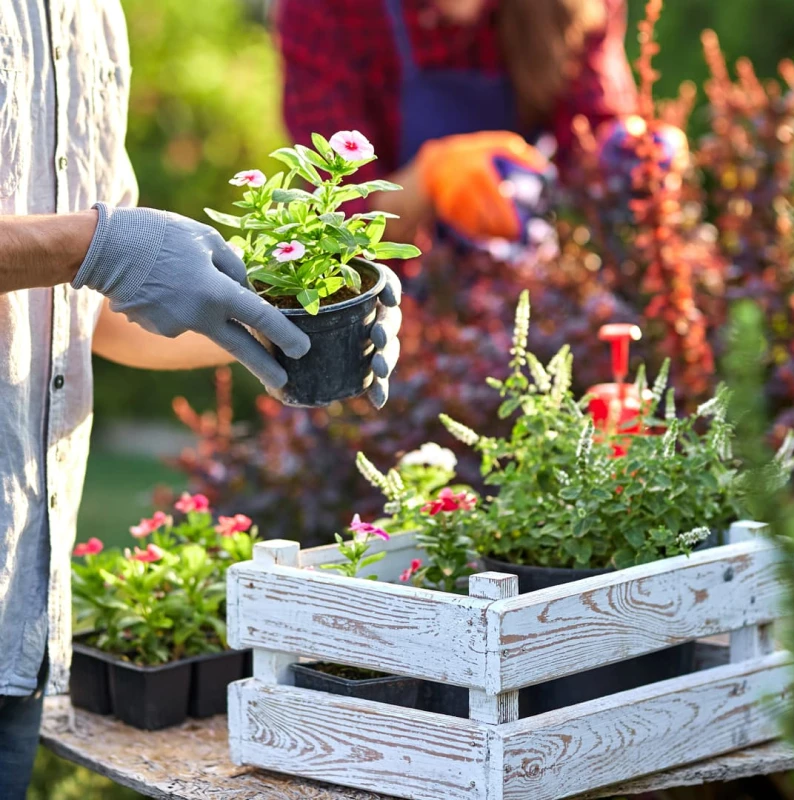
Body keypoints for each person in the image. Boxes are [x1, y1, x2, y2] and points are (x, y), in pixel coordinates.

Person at [0, 4, 401, 797]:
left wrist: (281, 331)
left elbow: (97, 314)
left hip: (15, 615)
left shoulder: (87, 15)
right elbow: (89, 255)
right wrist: (92, 244)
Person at [276, 0, 637, 243]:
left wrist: (635, 154)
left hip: (536, 261)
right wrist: (427, 180)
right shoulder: (325, 11)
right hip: (406, 301)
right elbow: (336, 216)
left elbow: (594, 137)